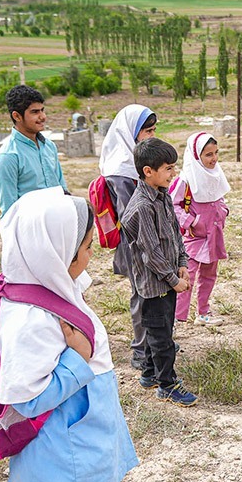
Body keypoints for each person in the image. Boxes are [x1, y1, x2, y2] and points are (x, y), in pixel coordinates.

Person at [0, 188, 145, 482]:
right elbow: (27, 396)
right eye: (85, 247)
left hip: (50, 444)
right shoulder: (33, 318)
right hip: (69, 442)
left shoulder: (31, 289)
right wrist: (78, 360)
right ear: (55, 253)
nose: (90, 255)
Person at [118, 138, 198, 407]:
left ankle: (150, 374)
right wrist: (173, 280)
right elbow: (150, 253)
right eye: (168, 168)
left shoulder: (162, 195)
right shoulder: (142, 206)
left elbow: (174, 235)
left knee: (161, 329)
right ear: (148, 171)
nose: (173, 173)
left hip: (168, 280)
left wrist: (182, 263)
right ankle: (167, 385)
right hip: (154, 286)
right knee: (162, 338)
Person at [99, 104, 158, 369]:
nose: (152, 136)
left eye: (154, 130)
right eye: (147, 131)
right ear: (130, 133)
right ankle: (141, 351)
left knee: (156, 293)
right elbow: (131, 215)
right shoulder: (121, 169)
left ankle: (156, 342)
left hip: (152, 239)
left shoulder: (138, 162)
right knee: (141, 294)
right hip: (136, 244)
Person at [169, 132, 230, 327]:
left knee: (209, 275)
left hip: (214, 235)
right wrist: (191, 222)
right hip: (194, 238)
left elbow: (218, 195)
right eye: (208, 154)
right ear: (196, 156)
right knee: (187, 275)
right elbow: (172, 204)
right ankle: (177, 317)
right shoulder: (185, 180)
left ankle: (203, 312)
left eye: (216, 153)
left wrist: (223, 211)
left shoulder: (216, 174)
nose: (214, 158)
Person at [0, 85, 68, 216]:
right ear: (17, 116)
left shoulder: (49, 146)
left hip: (58, 219)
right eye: (35, 112)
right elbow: (9, 210)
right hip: (31, 224)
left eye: (42, 110)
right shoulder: (8, 157)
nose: (43, 116)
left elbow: (62, 188)